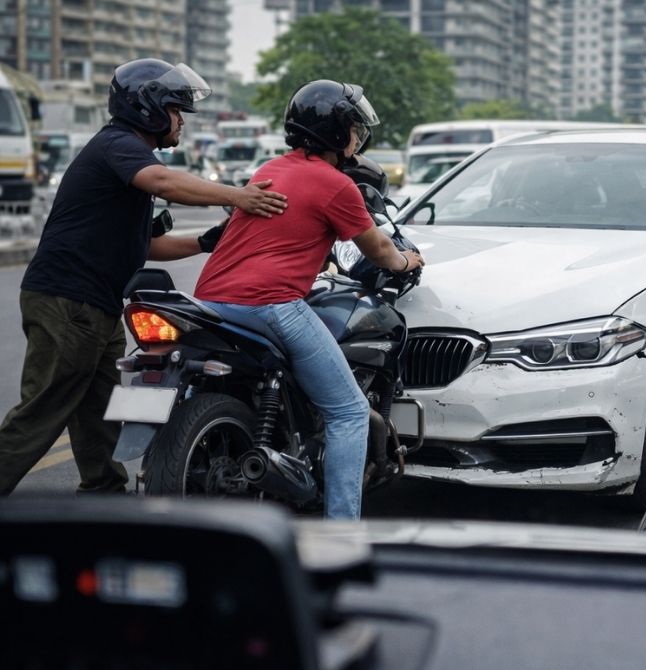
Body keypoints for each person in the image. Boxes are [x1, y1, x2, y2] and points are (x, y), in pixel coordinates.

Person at [0, 59, 288, 496]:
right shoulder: (119, 146)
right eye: (175, 111)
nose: (180, 122)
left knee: (99, 412)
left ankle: (106, 496)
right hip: (66, 302)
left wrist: (207, 241)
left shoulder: (128, 163)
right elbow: (164, 181)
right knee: (45, 409)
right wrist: (237, 195)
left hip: (94, 307)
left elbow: (149, 246)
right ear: (146, 108)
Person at [193, 80, 422, 520]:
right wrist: (407, 261)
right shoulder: (337, 185)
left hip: (212, 299)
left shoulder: (270, 170)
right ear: (336, 132)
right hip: (271, 304)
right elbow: (378, 250)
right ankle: (342, 528)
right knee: (350, 412)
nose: (357, 135)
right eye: (353, 126)